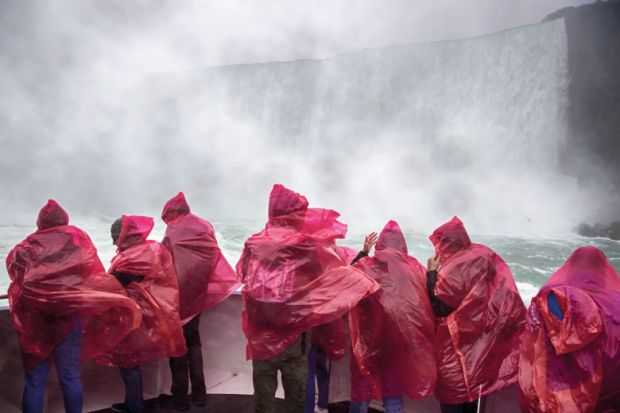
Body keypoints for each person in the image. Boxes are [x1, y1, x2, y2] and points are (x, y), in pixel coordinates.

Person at [237, 184, 380, 413]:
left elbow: (244, 276)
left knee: (263, 396)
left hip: (260, 333)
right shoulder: (304, 244)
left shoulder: (253, 242)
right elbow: (327, 275)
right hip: (294, 334)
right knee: (297, 395)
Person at [5, 200, 141, 413]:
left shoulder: (26, 247)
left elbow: (16, 273)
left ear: (40, 221)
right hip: (68, 321)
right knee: (70, 377)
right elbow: (91, 273)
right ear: (64, 220)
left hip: (36, 324)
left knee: (35, 381)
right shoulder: (77, 243)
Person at [426, 216, 525, 413]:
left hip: (457, 344)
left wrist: (431, 273)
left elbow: (440, 307)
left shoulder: (458, 265)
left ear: (446, 242)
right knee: (472, 398)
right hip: (483, 343)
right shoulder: (483, 253)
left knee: (453, 396)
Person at [161, 192, 241, 410]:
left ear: (172, 211)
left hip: (177, 297)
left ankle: (180, 399)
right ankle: (199, 395)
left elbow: (164, 260)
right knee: (194, 344)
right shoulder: (204, 225)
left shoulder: (175, 229)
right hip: (197, 294)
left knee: (178, 347)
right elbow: (211, 256)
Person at [99, 215, 187, 413]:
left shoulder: (136, 257)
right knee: (131, 364)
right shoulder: (150, 249)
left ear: (124, 237)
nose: (113, 242)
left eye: (115, 237)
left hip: (139, 318)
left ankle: (135, 407)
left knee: (129, 363)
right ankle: (132, 403)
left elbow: (114, 282)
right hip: (150, 316)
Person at [348, 221, 436, 413]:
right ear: (402, 245)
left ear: (379, 244)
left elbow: (347, 279)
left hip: (369, 339)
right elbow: (430, 300)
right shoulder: (414, 269)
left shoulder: (367, 265)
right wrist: (433, 272)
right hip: (398, 341)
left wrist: (364, 252)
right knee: (392, 390)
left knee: (363, 389)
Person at [518, 246, 620, 412]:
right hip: (607, 386)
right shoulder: (616, 302)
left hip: (558, 388)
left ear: (570, 267)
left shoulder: (550, 296)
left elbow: (532, 342)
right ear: (604, 270)